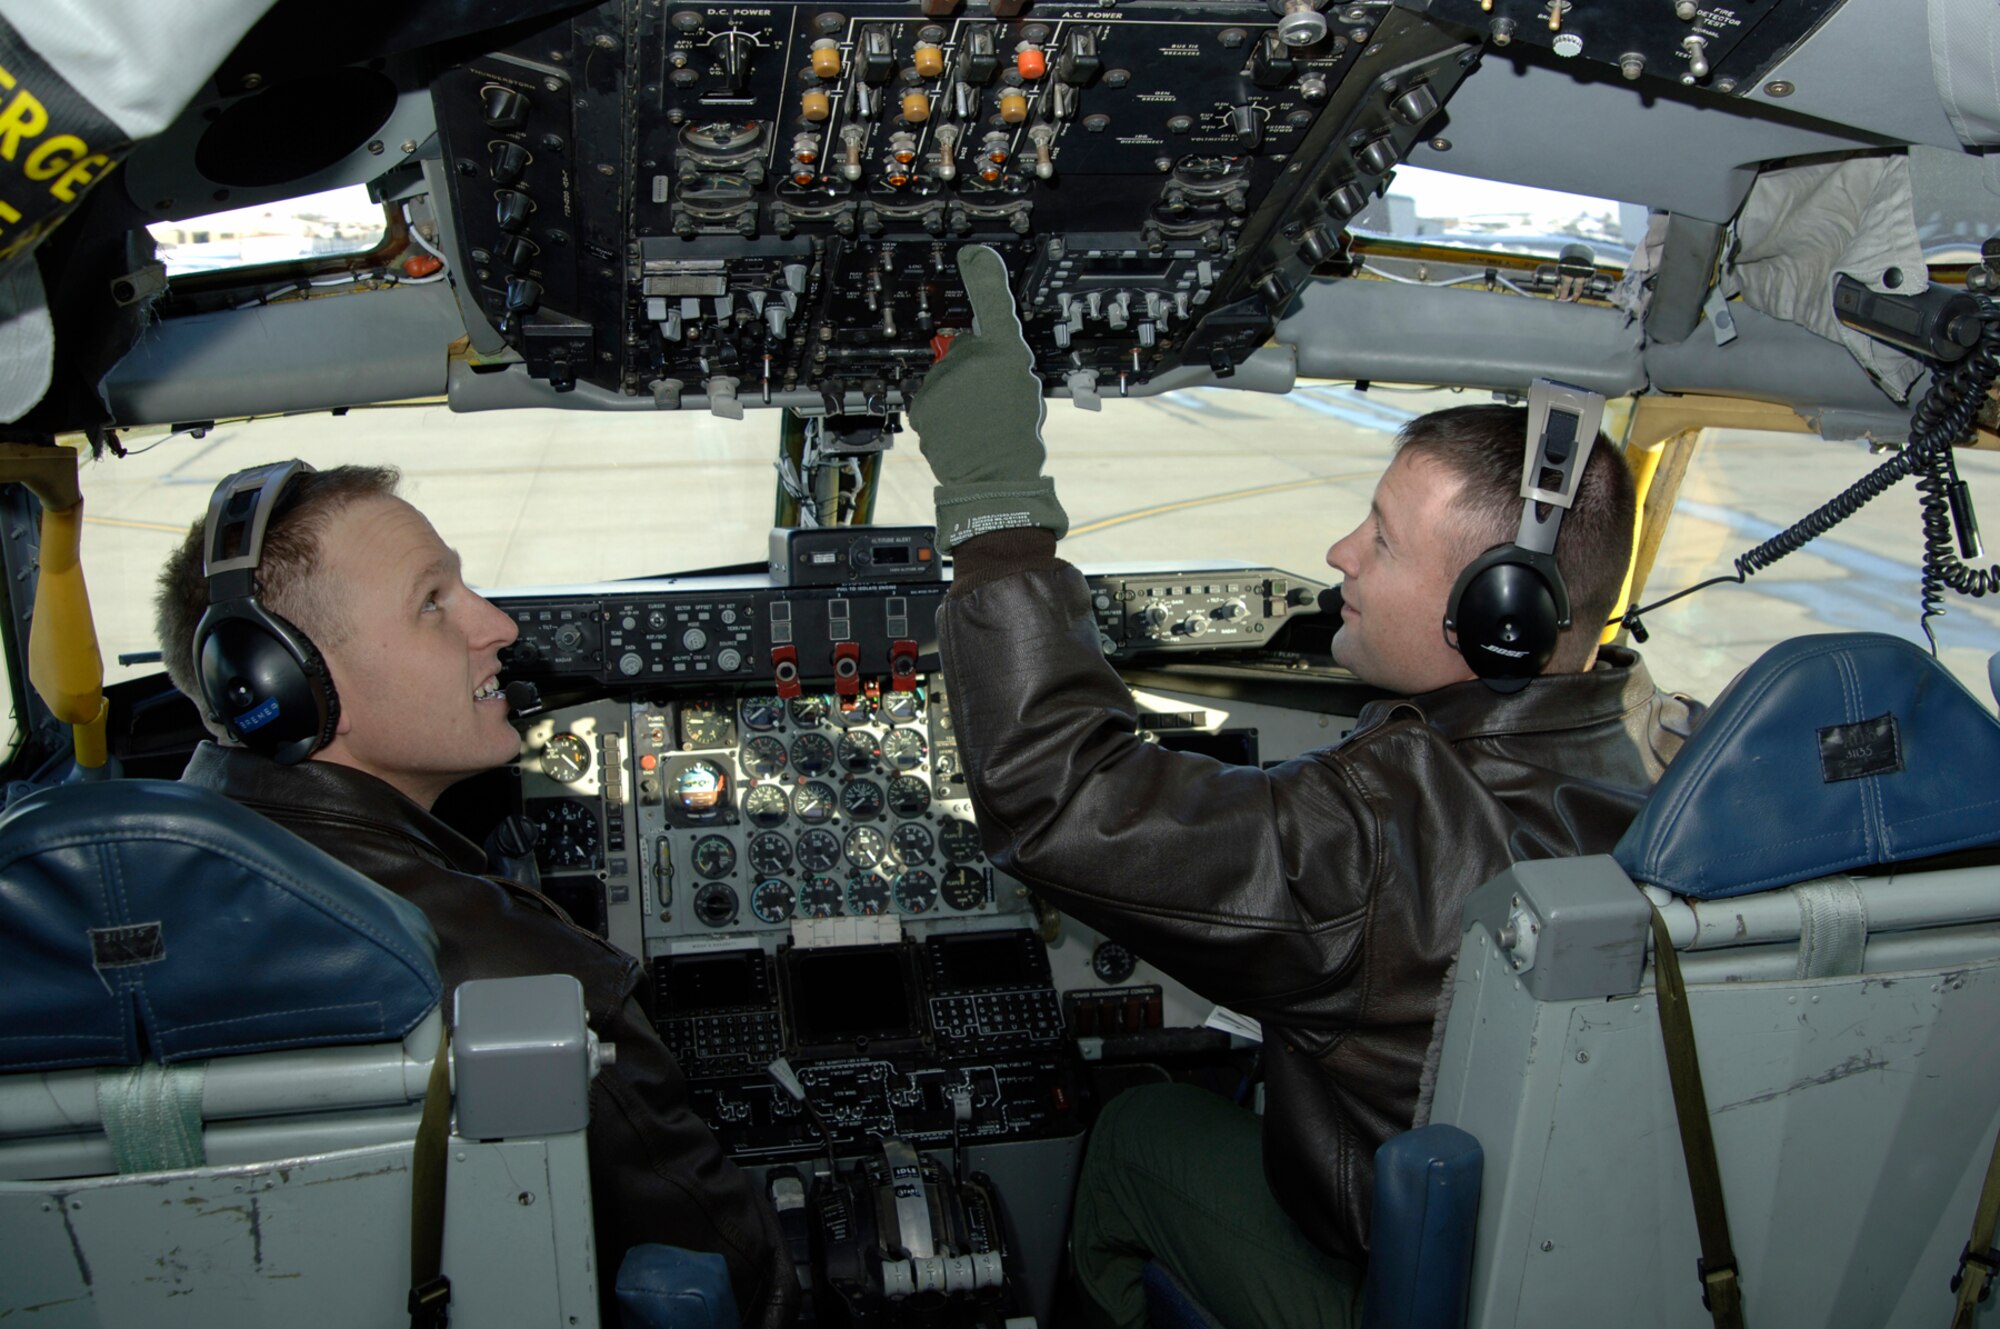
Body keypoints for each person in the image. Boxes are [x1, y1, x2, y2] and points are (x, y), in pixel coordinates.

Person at [909, 248, 1700, 1329]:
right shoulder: (1665, 765)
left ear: (1500, 611)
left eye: (1380, 539)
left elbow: (1055, 796)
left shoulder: (1380, 828)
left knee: (1138, 1132)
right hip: (1602, 1272)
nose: (1339, 554)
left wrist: (993, 504)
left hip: (1406, 1286)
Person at [154, 465, 794, 1329]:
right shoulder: (515, 978)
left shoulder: (103, 917)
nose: (498, 624)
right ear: (284, 683)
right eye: (432, 601)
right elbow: (724, 1253)